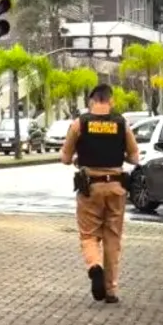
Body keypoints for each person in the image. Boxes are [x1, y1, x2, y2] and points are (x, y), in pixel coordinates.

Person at [60, 84, 139, 304]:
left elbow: (65, 158)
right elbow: (135, 157)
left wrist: (77, 159)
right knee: (112, 238)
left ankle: (95, 267)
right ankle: (111, 290)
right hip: (116, 187)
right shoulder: (122, 123)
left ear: (91, 101)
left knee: (88, 235)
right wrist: (118, 156)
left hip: (90, 188)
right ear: (111, 101)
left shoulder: (80, 124)